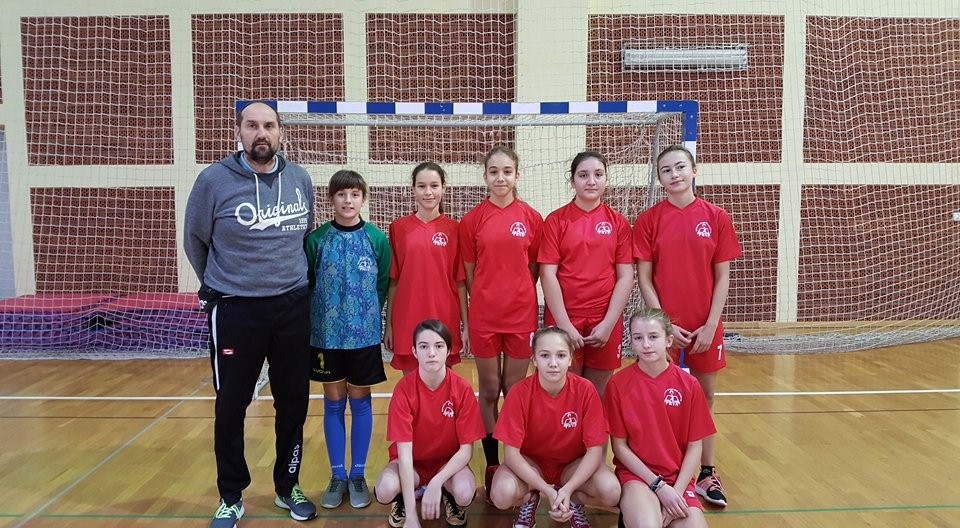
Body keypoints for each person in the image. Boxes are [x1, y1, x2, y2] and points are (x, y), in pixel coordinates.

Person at [184, 100, 317, 528]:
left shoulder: (300, 179)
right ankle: (230, 495)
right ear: (239, 131)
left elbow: (304, 235)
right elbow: (195, 239)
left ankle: (287, 486)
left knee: (293, 401)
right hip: (236, 308)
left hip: (292, 305)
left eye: (269, 126)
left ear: (281, 133)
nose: (262, 133)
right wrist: (222, 285)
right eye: (253, 125)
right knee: (232, 404)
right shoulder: (213, 181)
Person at [632, 145, 741, 507]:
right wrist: (663, 325)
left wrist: (711, 324)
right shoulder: (649, 220)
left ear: (694, 170)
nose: (674, 174)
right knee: (659, 397)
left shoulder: (716, 217)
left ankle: (707, 472)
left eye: (680, 167)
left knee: (704, 397)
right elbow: (644, 278)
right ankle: (661, 469)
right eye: (666, 170)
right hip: (663, 328)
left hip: (704, 326)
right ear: (659, 178)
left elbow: (722, 276)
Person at [459, 145, 543, 497]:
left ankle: (516, 459)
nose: (500, 178)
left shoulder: (531, 218)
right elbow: (469, 271)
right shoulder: (473, 219)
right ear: (485, 176)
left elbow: (534, 268)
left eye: (507, 171)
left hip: (521, 315)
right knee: (490, 389)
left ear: (517, 175)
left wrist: (516, 293)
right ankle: (493, 463)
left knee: (515, 389)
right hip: (485, 317)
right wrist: (486, 298)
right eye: (494, 171)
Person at [305, 170, 390, 511]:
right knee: (333, 402)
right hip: (326, 336)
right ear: (331, 199)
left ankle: (357, 474)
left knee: (361, 402)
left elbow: (382, 285)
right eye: (341, 194)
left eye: (354, 194)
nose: (348, 200)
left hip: (363, 337)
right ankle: (337, 474)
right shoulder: (316, 240)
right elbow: (308, 284)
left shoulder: (376, 239)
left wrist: (371, 319)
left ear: (363, 199)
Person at [490, 326, 621, 528]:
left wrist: (568, 489)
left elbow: (595, 451)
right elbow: (511, 455)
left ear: (570, 359)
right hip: (532, 465)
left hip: (571, 465)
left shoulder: (585, 390)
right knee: (501, 494)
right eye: (544, 355)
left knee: (611, 490)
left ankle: (573, 500)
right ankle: (530, 499)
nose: (553, 363)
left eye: (560, 355)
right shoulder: (519, 392)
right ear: (534, 359)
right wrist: (547, 490)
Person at [604, 308, 716, 528]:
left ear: (668, 340)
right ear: (631, 342)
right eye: (638, 338)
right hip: (638, 477)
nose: (646, 344)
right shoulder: (617, 384)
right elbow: (620, 448)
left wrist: (675, 493)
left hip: (678, 479)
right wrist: (658, 486)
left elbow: (695, 446)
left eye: (653, 337)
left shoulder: (689, 385)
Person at [539, 151, 634, 398]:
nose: (591, 181)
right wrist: (564, 325)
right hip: (564, 317)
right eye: (583, 175)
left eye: (598, 174)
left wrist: (608, 323)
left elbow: (626, 275)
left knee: (597, 396)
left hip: (604, 320)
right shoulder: (556, 221)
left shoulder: (619, 223)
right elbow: (547, 274)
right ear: (572, 181)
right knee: (562, 394)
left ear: (606, 179)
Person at [374, 319, 485, 528]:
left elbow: (466, 451)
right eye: (424, 346)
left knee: (465, 492)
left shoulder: (461, 389)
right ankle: (404, 500)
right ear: (414, 352)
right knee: (385, 489)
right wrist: (411, 518)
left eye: (439, 346)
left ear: (448, 351)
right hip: (413, 465)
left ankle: (447, 494)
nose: (431, 353)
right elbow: (404, 454)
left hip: (447, 463)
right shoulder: (403, 390)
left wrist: (437, 481)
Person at [383, 162, 469, 373]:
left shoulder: (456, 229)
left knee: (443, 386)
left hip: (444, 316)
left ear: (443, 188)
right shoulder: (398, 228)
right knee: (411, 386)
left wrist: (466, 326)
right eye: (422, 186)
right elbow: (394, 280)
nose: (428, 192)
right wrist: (389, 325)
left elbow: (460, 282)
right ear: (413, 189)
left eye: (434, 185)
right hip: (408, 318)